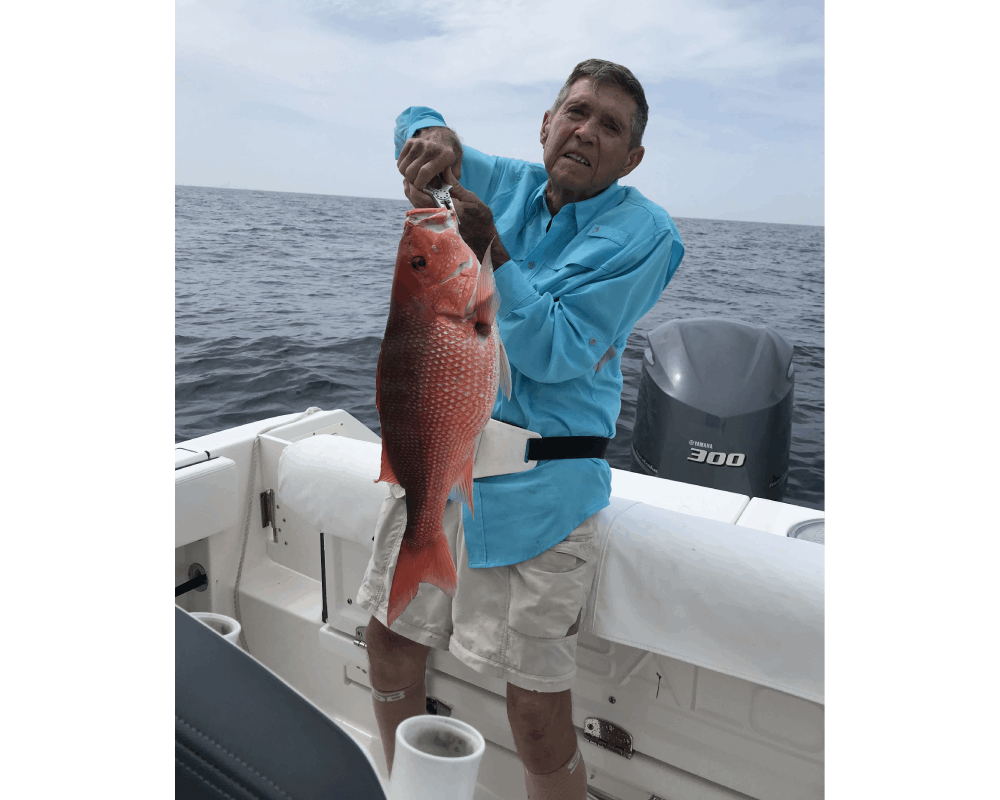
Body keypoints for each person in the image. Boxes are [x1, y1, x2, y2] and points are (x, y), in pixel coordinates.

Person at [357, 58, 685, 800]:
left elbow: (559, 350)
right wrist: (430, 135)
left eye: (610, 127)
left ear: (631, 158)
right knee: (386, 642)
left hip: (545, 495)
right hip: (444, 457)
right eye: (576, 112)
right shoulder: (500, 180)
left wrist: (494, 253)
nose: (586, 131)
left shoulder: (643, 234)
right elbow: (415, 118)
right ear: (546, 124)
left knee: (536, 711)